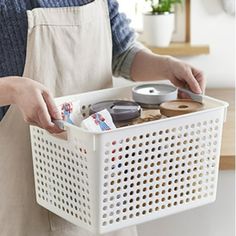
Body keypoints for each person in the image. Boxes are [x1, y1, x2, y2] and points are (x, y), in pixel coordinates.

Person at [0, 0, 205, 235]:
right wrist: (13, 88)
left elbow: (123, 53)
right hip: (26, 187)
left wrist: (167, 66)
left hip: (104, 188)